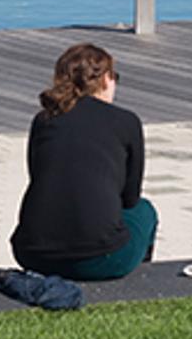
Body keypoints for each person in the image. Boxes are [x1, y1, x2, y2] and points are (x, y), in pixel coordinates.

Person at [10, 44, 157, 282]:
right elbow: (130, 198)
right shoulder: (126, 121)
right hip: (101, 260)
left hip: (33, 254)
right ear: (106, 79)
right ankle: (139, 285)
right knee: (145, 211)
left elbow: (38, 174)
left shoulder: (44, 119)